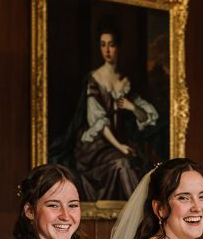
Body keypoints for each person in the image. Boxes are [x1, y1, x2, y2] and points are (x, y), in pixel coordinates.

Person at [55, 24, 160, 201]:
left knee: (140, 166)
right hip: (95, 146)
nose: (107, 50)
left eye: (111, 44)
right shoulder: (94, 79)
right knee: (123, 164)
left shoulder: (125, 82)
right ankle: (137, 215)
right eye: (103, 45)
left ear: (118, 47)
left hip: (117, 143)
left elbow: (149, 117)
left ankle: (142, 215)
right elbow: (99, 122)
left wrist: (132, 107)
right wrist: (120, 147)